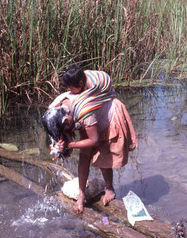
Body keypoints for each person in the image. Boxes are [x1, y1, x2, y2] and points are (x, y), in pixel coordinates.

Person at [49, 65, 137, 213]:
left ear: (81, 84)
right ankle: (81, 196)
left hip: (106, 115)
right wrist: (56, 143)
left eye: (72, 88)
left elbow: (94, 140)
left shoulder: (86, 107)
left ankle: (109, 189)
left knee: (104, 156)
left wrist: (71, 144)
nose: (70, 92)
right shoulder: (63, 105)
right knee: (84, 157)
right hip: (89, 117)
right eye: (68, 89)